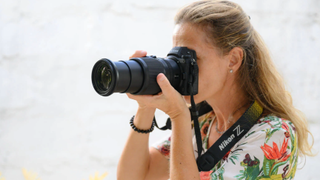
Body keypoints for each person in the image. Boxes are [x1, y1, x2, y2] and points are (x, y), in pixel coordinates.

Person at [117, 0, 314, 179]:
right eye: (176, 58)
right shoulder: (203, 124)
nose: (181, 69)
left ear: (233, 60)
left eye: (191, 60)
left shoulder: (274, 134)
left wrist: (179, 116)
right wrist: (145, 106)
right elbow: (134, 177)